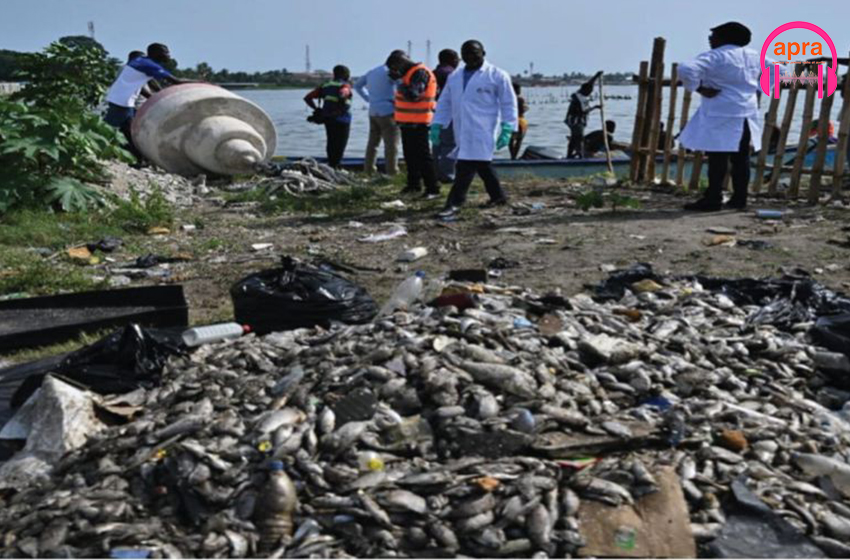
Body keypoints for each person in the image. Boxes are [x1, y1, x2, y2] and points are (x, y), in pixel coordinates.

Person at [679, 22, 767, 211]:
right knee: (741, 158)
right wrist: (755, 89)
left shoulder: (716, 56)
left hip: (721, 112)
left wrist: (699, 88)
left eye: (714, 35)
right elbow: (779, 70)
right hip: (746, 112)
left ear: (724, 38)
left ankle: (713, 199)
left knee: (717, 157)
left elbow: (685, 69)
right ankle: (740, 199)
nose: (710, 39)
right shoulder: (755, 56)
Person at [432, 40, 518, 217]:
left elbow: (508, 103)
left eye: (474, 53)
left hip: (484, 128)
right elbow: (445, 101)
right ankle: (498, 197)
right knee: (482, 164)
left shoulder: (497, 75)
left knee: (466, 165)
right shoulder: (455, 76)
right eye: (466, 54)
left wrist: (508, 127)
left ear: (483, 53)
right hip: (462, 127)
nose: (470, 57)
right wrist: (437, 123)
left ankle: (454, 203)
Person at [104, 43, 186, 162]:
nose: (169, 55)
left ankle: (139, 158)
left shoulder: (143, 63)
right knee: (107, 129)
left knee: (129, 131)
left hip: (125, 100)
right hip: (123, 101)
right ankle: (94, 151)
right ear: (156, 54)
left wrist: (158, 94)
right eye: (166, 52)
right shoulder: (146, 65)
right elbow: (175, 81)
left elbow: (150, 83)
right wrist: (202, 83)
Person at [386, 50, 440, 198]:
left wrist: (399, 82)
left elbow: (413, 95)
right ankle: (413, 185)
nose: (394, 72)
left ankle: (432, 188)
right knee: (410, 156)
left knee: (423, 157)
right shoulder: (409, 74)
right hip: (408, 122)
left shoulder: (420, 73)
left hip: (419, 122)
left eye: (394, 68)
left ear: (400, 63)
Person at [354, 63, 399, 175]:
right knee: (391, 145)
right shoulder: (392, 73)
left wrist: (368, 98)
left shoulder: (372, 72)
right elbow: (402, 87)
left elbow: (357, 85)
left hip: (373, 111)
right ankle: (392, 172)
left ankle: (368, 170)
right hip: (388, 111)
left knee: (373, 143)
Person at [304, 65, 353, 168]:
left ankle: (331, 164)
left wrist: (317, 109)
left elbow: (308, 98)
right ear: (345, 75)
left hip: (328, 119)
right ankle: (336, 166)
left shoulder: (326, 86)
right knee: (340, 145)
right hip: (342, 120)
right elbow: (343, 94)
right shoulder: (344, 85)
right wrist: (342, 99)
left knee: (331, 142)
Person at [433, 49, 460, 182]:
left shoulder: (433, 73)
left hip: (434, 113)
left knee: (437, 144)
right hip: (449, 114)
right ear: (452, 60)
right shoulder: (452, 75)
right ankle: (447, 174)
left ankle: (435, 172)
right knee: (450, 144)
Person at [564, 71, 603, 159]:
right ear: (584, 90)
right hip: (575, 121)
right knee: (579, 138)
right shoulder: (579, 98)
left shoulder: (580, 93)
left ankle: (571, 155)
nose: (590, 93)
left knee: (574, 138)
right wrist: (595, 107)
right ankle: (580, 155)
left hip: (575, 120)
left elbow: (590, 83)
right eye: (589, 91)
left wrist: (596, 76)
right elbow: (583, 111)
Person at [509, 82, 528, 160]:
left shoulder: (509, 99)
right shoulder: (520, 99)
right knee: (519, 140)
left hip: (512, 121)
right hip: (521, 121)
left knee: (511, 140)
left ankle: (512, 157)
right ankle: (514, 157)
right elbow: (523, 109)